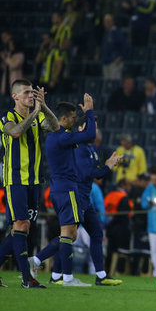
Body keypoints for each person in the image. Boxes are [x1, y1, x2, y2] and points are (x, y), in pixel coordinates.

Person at [31, 113, 123, 286]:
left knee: (94, 233)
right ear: (80, 128)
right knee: (69, 235)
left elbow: (96, 173)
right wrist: (108, 166)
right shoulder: (78, 147)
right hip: (76, 196)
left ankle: (99, 275)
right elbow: (91, 173)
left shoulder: (91, 148)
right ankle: (43, 264)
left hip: (85, 198)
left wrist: (107, 165)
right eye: (90, 127)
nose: (94, 131)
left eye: (95, 127)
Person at [0, 81, 58, 288]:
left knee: (21, 229)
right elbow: (15, 132)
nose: (30, 96)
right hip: (15, 179)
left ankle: (25, 277)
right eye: (26, 93)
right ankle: (27, 278)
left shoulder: (38, 116)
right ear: (15, 96)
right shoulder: (7, 117)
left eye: (32, 93)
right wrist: (35, 113)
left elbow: (55, 127)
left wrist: (44, 106)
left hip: (34, 181)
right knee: (21, 225)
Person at [44, 96, 96, 286]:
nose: (75, 121)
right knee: (68, 233)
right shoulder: (63, 137)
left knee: (71, 234)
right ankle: (66, 277)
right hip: (67, 189)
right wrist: (89, 111)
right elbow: (90, 135)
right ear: (63, 119)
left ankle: (38, 260)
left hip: (57, 189)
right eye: (73, 118)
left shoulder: (53, 137)